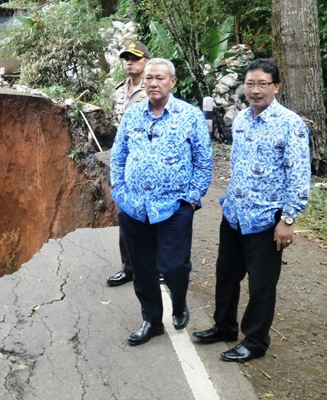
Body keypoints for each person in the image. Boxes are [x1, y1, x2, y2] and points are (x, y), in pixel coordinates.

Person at [193, 58, 311, 361]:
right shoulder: (242, 119)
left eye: (262, 84)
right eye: (250, 84)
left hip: (266, 220)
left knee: (261, 285)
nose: (255, 90)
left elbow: (298, 175)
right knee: (226, 275)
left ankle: (255, 341)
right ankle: (224, 326)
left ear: (276, 86)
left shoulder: (290, 123)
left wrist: (287, 219)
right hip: (234, 214)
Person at [110, 58, 213, 346]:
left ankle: (179, 304)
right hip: (134, 206)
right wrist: (119, 190)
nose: (153, 83)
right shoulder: (132, 116)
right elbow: (118, 156)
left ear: (173, 83)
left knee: (173, 267)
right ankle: (152, 320)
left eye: (160, 78)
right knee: (142, 268)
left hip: (174, 206)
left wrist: (191, 199)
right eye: (149, 78)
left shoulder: (189, 116)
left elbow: (204, 163)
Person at [107, 41, 151, 287]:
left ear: (146, 60)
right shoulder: (120, 90)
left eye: (134, 58)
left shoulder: (154, 88)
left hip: (150, 163)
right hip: (126, 163)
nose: (129, 62)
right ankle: (129, 268)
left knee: (152, 217)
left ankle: (156, 267)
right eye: (126, 58)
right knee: (125, 216)